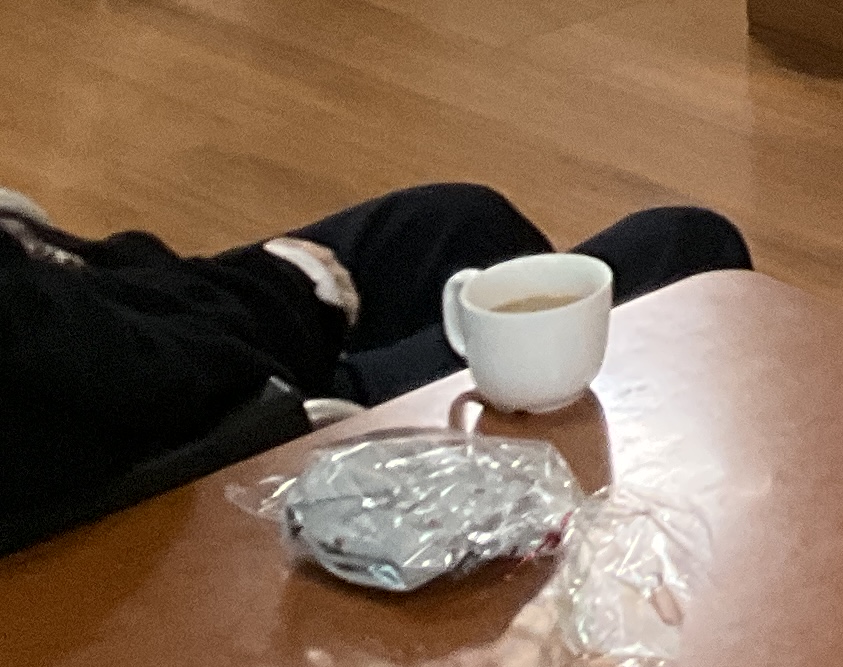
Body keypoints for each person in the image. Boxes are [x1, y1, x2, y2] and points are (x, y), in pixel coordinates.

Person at [1, 180, 751, 546]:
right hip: (242, 431)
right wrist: (281, 292)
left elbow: (84, 283)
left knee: (460, 221)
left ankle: (522, 519)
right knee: (685, 248)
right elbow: (145, 379)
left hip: (138, 320)